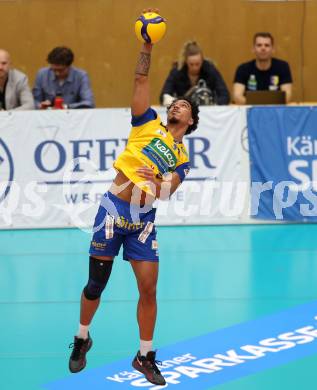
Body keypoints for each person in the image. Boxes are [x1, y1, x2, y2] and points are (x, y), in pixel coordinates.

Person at [68, 11, 199, 387]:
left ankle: (144, 356)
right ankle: (81, 338)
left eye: (184, 107)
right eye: (174, 103)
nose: (177, 106)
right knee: (96, 284)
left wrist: (154, 184)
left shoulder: (183, 156)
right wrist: (147, 43)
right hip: (113, 208)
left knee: (149, 289)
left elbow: (170, 190)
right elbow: (141, 78)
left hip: (143, 220)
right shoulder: (147, 122)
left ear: (191, 121)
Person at [159, 40, 230, 106]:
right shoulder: (177, 71)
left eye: (197, 64)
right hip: (184, 111)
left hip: (206, 110)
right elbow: (164, 95)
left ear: (202, 60)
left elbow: (225, 95)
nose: (194, 67)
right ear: (186, 61)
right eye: (191, 64)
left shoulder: (210, 69)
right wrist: (174, 102)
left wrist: (214, 105)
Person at [233, 32, 293, 104]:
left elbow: (287, 96)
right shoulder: (243, 69)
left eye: (267, 45)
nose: (263, 48)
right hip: (251, 111)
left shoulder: (283, 67)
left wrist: (265, 108)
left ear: (273, 49)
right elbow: (237, 96)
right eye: (259, 45)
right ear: (253, 49)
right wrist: (258, 108)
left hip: (275, 111)